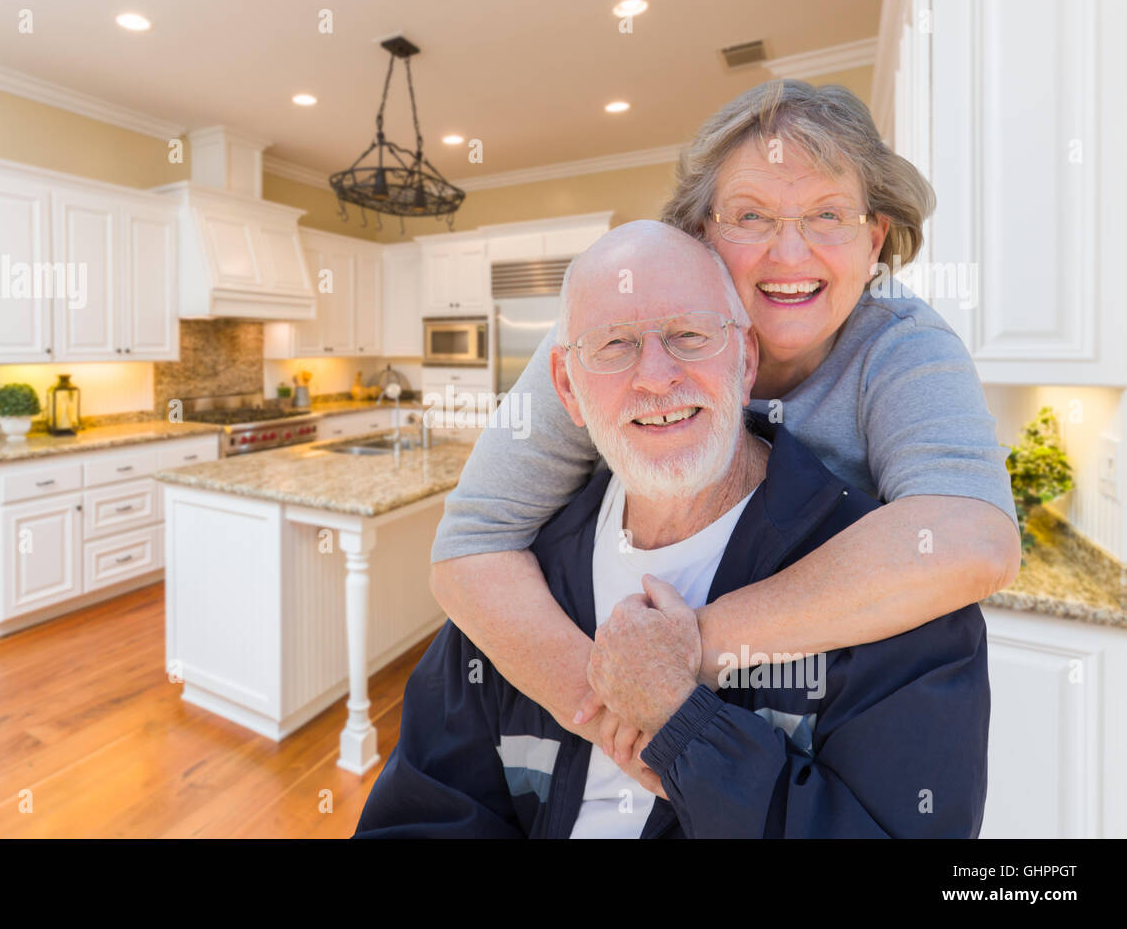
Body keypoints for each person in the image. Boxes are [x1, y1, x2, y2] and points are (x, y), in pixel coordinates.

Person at [428, 80, 1019, 783]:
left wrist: (690, 646)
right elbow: (471, 543)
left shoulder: (901, 344)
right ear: (700, 234)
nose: (790, 255)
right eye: (751, 216)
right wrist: (612, 711)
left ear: (875, 239)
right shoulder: (608, 343)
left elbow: (972, 539)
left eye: (828, 215)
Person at [355, 223, 988, 838]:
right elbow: (424, 811)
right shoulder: (518, 587)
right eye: (613, 344)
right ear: (566, 389)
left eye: (689, 335)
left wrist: (686, 729)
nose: (656, 377)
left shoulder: (896, 596)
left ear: (745, 361)